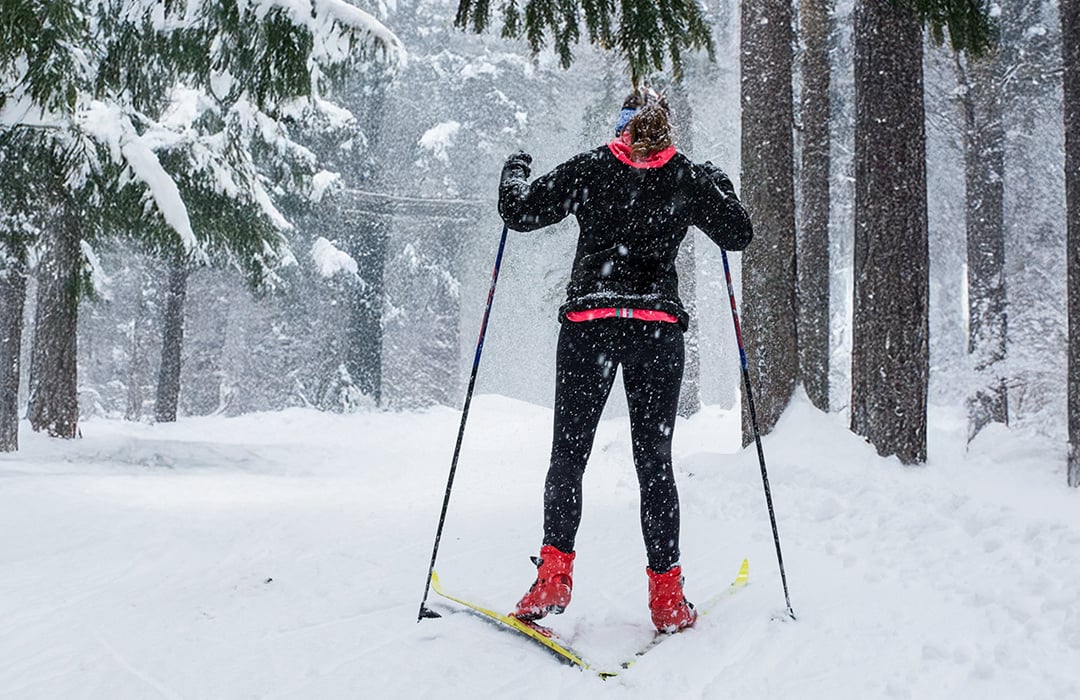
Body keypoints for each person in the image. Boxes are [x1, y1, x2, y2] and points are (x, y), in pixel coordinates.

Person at [498, 87, 753, 633]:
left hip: (590, 325)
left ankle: (553, 577)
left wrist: (515, 169)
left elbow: (518, 213)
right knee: (653, 462)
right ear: (665, 128)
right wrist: (721, 185)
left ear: (622, 127)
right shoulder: (686, 176)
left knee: (568, 455)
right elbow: (738, 233)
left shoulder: (592, 168)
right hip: (656, 333)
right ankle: (666, 597)